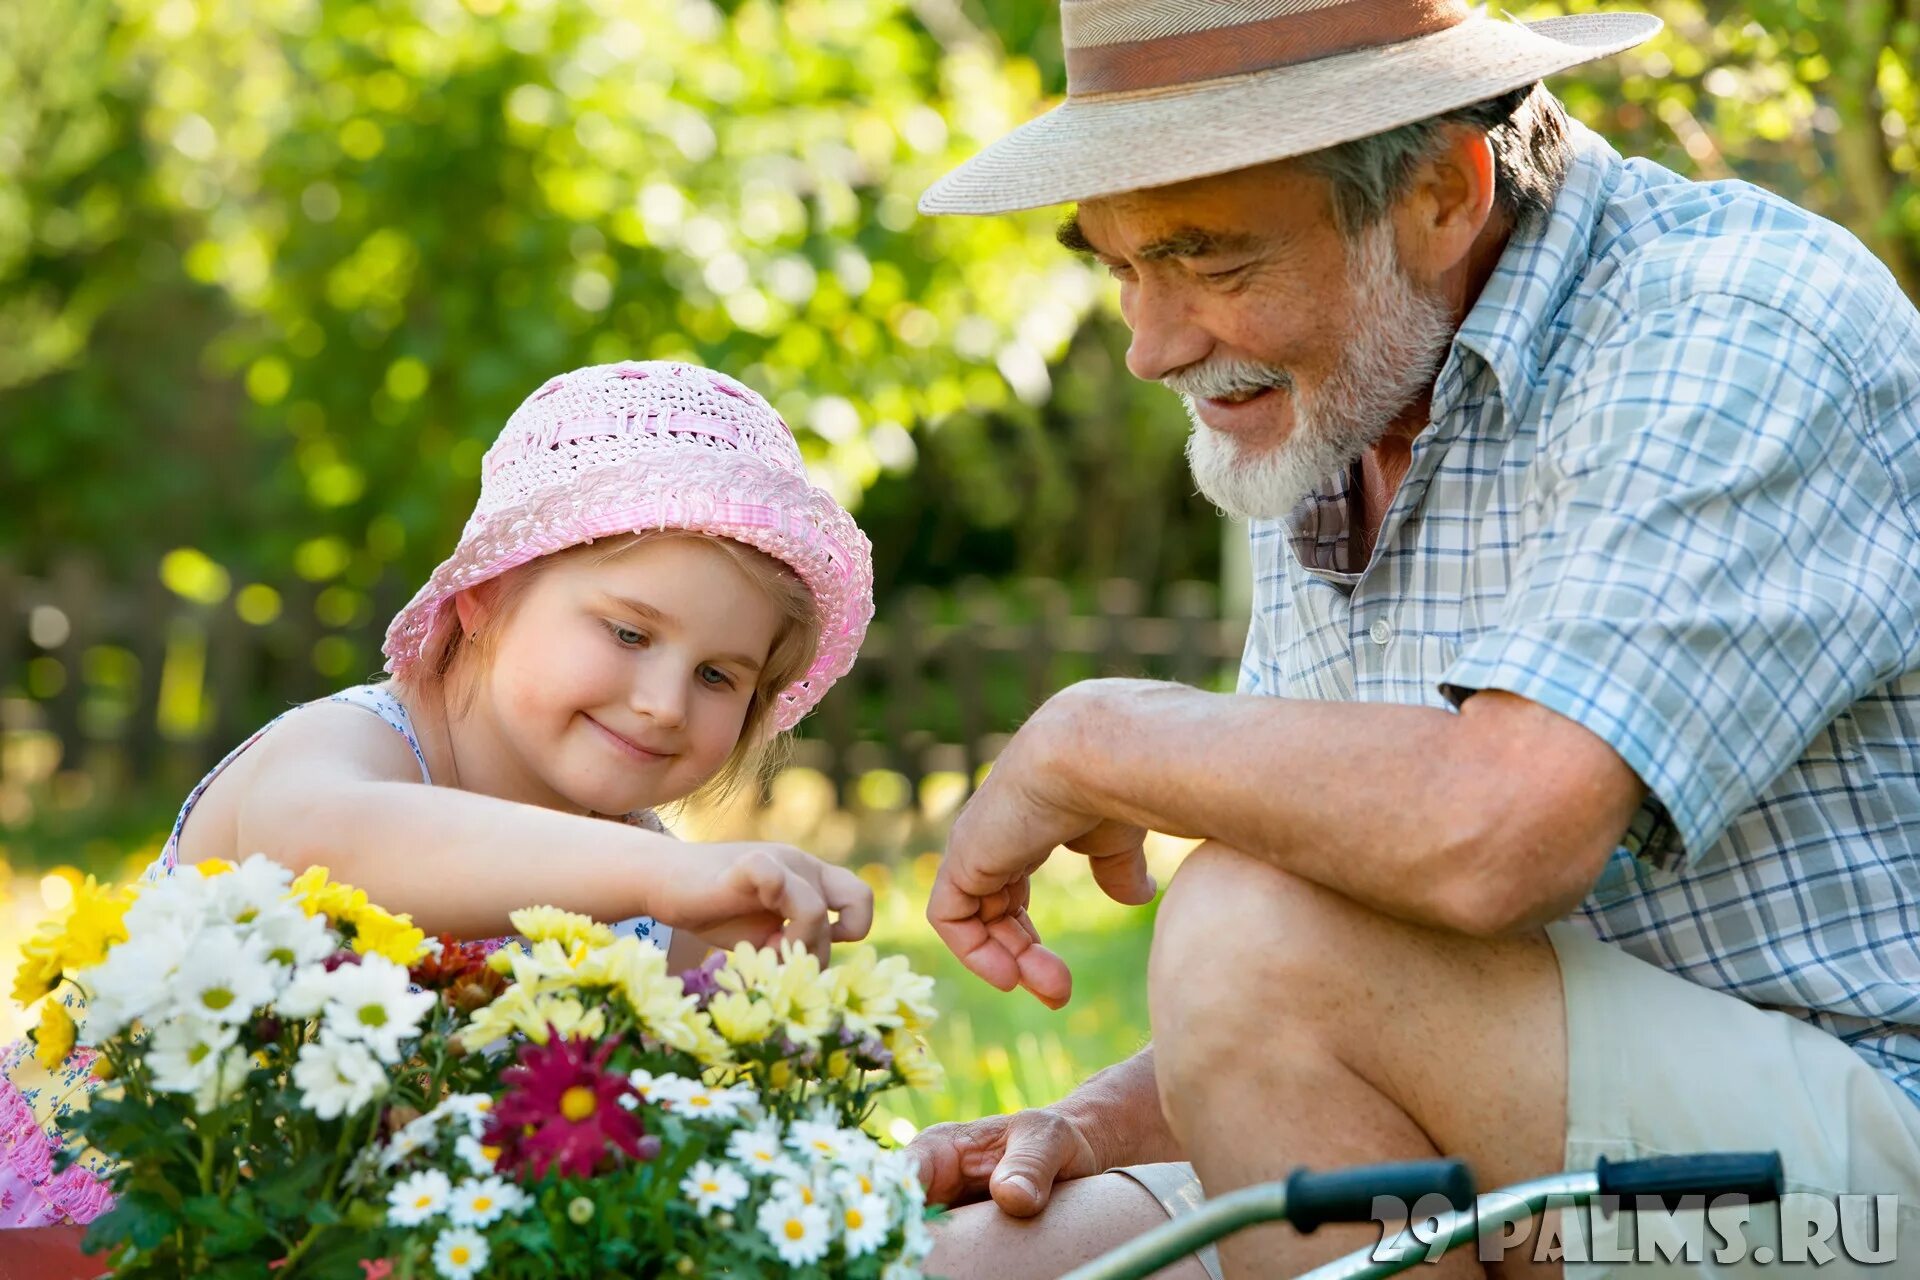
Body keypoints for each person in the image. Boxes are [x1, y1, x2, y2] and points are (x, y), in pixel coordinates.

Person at [908, 2, 1920, 1277]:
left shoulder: (1739, 324)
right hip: (1565, 1155)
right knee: (970, 1264)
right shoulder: (1336, 395)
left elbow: (1500, 838)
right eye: (1120, 268)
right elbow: (1354, 988)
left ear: (1442, 192)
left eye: (1213, 266)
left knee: (1240, 922)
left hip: (1866, 1174)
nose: (1153, 346)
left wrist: (1092, 735)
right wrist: (1093, 1121)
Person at [0, 359, 877, 1228]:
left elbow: (697, 1145)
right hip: (76, 1229)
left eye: (719, 676)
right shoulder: (358, 745)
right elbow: (322, 841)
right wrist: (655, 875)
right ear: (487, 596)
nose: (664, 702)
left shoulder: (662, 906)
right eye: (627, 631)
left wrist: (768, 1018)